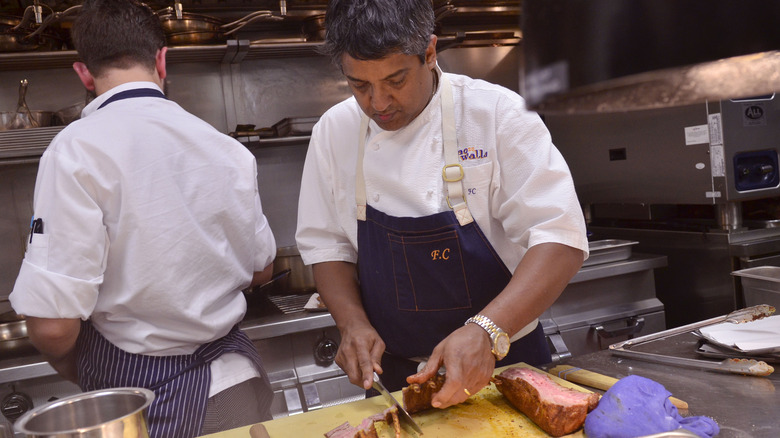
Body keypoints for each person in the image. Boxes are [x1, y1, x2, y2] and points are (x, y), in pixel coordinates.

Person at [295, 0, 589, 410]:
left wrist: (486, 330)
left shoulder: (497, 114)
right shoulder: (334, 130)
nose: (378, 102)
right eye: (359, 85)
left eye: (395, 80)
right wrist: (352, 323)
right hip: (394, 377)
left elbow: (560, 238)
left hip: (503, 364)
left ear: (430, 52)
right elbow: (328, 247)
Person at [9, 0, 277, 436]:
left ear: (84, 74)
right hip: (238, 386)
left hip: (148, 404)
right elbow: (261, 268)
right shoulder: (226, 148)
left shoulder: (75, 151)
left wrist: (86, 370)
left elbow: (53, 327)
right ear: (162, 60)